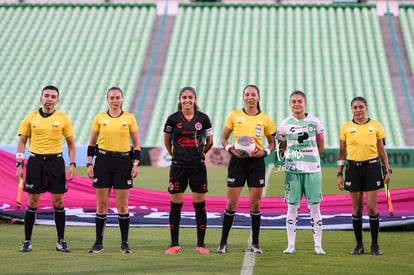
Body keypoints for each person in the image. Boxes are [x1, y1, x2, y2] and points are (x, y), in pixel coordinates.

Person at [16, 85, 76, 253]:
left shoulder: (63, 118)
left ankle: (61, 241)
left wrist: (72, 164)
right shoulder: (31, 117)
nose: (49, 99)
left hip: (55, 162)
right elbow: (22, 141)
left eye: (53, 96)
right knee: (32, 202)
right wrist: (19, 164)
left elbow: (71, 144)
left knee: (59, 201)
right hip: (35, 162)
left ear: (57, 100)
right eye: (46, 95)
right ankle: (27, 241)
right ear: (41, 98)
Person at [216, 84, 276, 254]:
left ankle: (255, 244)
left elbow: (272, 143)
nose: (250, 97)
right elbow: (224, 139)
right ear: (243, 97)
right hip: (237, 162)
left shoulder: (265, 119)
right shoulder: (234, 116)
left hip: (256, 163)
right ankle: (223, 244)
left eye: (253, 95)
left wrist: (264, 152)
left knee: (255, 205)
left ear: (259, 97)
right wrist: (231, 150)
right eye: (247, 94)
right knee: (231, 203)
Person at [86, 87, 141, 254]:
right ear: (107, 99)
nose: (115, 100)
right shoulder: (100, 118)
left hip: (123, 162)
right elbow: (91, 143)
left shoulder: (129, 118)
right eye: (112, 97)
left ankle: (125, 243)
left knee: (122, 206)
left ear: (122, 99)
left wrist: (136, 163)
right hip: (102, 162)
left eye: (118, 97)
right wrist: (89, 163)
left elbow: (136, 144)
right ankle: (98, 243)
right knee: (101, 206)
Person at [337, 96, 391, 256]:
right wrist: (339, 174)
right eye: (355, 107)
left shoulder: (375, 126)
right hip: (353, 169)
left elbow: (382, 150)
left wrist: (387, 169)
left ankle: (375, 245)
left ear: (366, 108)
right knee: (357, 208)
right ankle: (359, 245)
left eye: (361, 107)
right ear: (351, 109)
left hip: (372, 168)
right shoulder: (346, 127)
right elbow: (341, 153)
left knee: (372, 208)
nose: (358, 110)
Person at [163, 86, 213, 254]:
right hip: (178, 166)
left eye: (190, 97)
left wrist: (201, 153)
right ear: (179, 99)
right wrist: (175, 155)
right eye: (184, 97)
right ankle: (174, 243)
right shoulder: (172, 119)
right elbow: (167, 141)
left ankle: (201, 244)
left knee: (199, 204)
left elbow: (210, 141)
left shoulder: (204, 119)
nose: (187, 100)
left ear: (195, 99)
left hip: (197, 166)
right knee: (176, 204)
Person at [276, 90, 326, 255]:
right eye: (293, 102)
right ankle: (290, 245)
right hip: (292, 171)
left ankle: (318, 246)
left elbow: (321, 145)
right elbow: (281, 146)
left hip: (313, 170)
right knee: (292, 207)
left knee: (314, 208)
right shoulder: (284, 124)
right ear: (290, 104)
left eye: (299, 101)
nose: (296, 104)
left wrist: (310, 159)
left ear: (305, 103)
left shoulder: (315, 122)